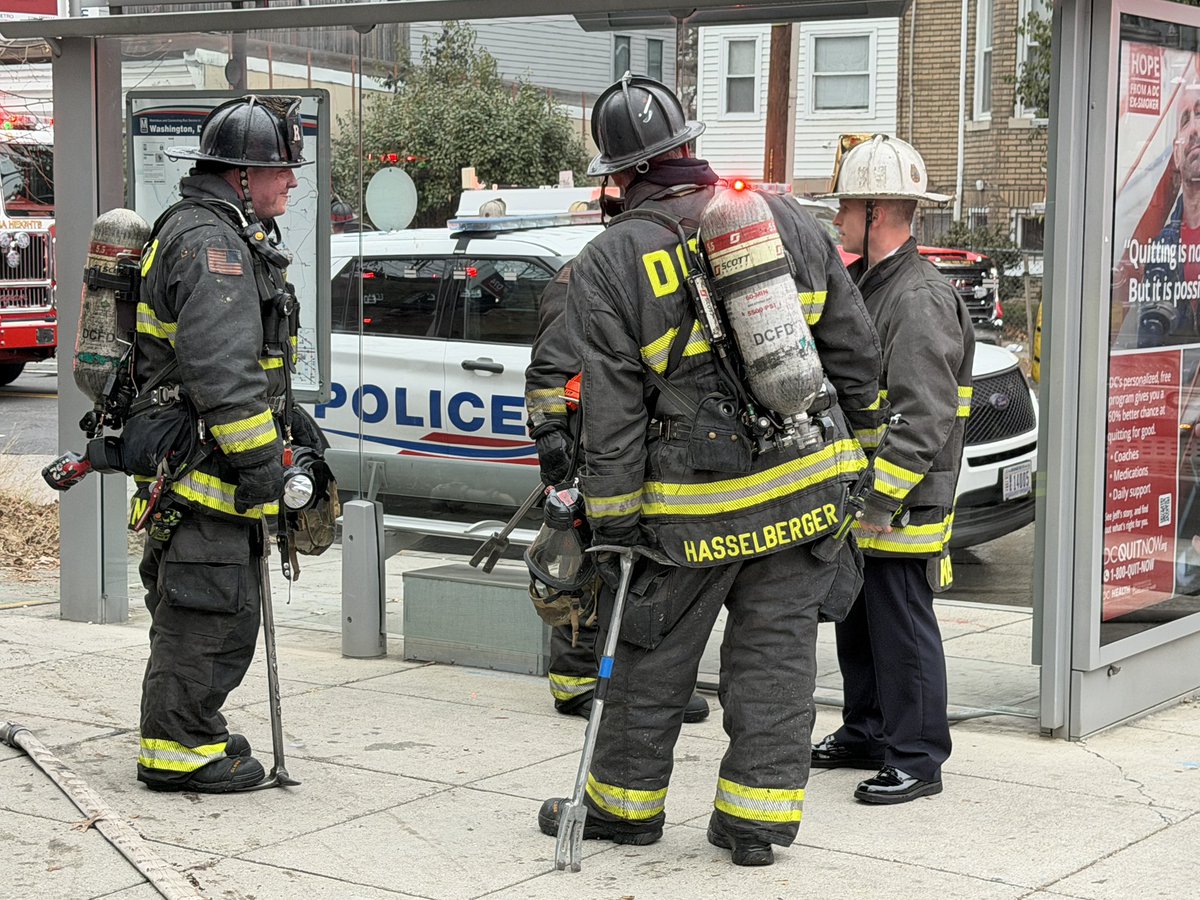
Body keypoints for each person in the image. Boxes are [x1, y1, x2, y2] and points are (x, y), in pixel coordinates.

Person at [537, 73, 885, 866]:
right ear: (690, 146)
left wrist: (616, 526)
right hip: (804, 490)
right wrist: (854, 459)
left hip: (692, 515)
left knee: (650, 660)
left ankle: (625, 810)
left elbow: (616, 417)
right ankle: (756, 825)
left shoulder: (611, 259)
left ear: (620, 175)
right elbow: (856, 357)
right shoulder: (785, 220)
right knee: (776, 663)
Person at [130, 95, 317, 793]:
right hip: (210, 470)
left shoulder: (217, 232)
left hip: (201, 465)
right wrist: (265, 468)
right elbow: (225, 372)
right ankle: (178, 750)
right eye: (280, 171)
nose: (292, 183)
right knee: (208, 610)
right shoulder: (214, 248)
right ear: (241, 174)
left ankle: (191, 724)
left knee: (204, 606)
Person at [812, 134, 974, 804]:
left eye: (846, 205)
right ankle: (870, 729)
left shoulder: (916, 299)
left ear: (876, 211)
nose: (838, 216)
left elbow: (924, 414)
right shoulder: (870, 284)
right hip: (868, 494)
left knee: (902, 624)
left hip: (901, 500)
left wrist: (880, 496)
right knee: (861, 620)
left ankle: (916, 755)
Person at [525, 265, 710, 725]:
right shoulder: (583, 277)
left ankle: (625, 681)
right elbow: (549, 368)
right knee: (587, 557)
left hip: (628, 437)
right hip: (587, 439)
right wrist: (551, 434)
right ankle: (577, 683)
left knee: (630, 561)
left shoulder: (648, 269)